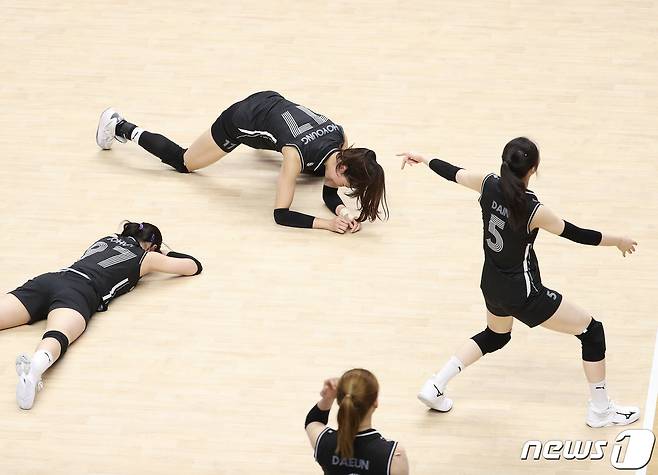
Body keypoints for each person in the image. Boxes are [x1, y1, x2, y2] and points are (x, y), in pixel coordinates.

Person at [399, 137, 640, 428]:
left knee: (496, 335)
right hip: (524, 293)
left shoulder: (487, 183)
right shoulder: (533, 209)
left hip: (491, 283)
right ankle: (601, 411)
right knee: (591, 331)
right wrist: (619, 241)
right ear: (533, 169)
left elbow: (453, 172)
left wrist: (424, 158)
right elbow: (578, 234)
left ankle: (435, 385)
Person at [96, 91, 389, 234]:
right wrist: (327, 224)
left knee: (312, 172)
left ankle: (262, 138)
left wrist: (341, 211)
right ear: (342, 167)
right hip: (242, 119)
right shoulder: (294, 155)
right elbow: (281, 215)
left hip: (273, 109)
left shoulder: (341, 140)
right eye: (347, 184)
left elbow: (327, 186)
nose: (343, 188)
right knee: (183, 161)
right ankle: (120, 126)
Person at [1, 221, 202, 409]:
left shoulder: (105, 239)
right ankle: (34, 369)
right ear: (151, 246)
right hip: (81, 291)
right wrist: (165, 252)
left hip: (51, 279)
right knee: (58, 334)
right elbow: (193, 266)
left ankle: (33, 369)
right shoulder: (146, 257)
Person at [305, 369, 409, 475]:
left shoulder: (323, 442)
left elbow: (313, 421)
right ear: (375, 402)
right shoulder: (393, 455)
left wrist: (328, 398)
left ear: (341, 400)